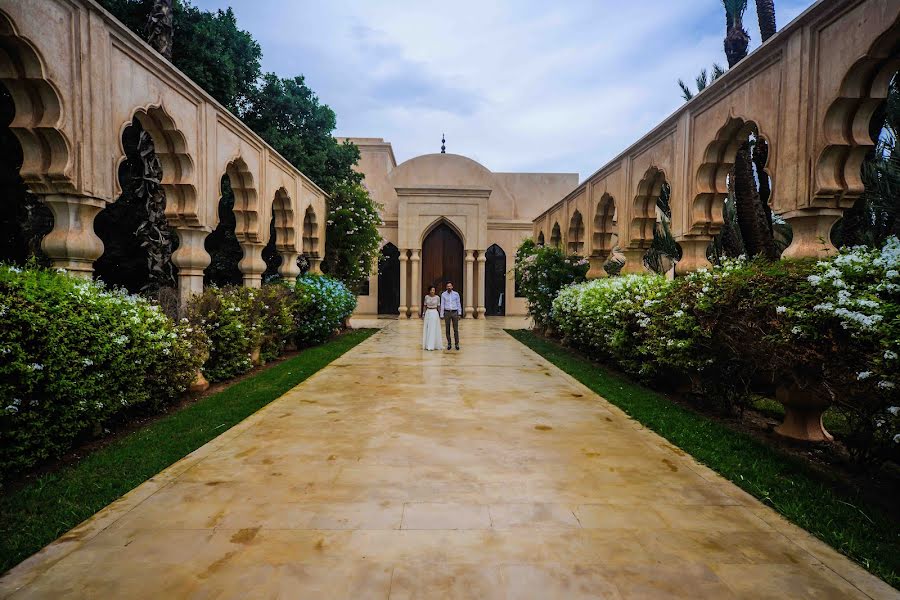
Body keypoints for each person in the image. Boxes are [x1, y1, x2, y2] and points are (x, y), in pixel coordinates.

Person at [440, 281, 461, 351]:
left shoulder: (456, 294)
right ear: (446, 287)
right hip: (447, 312)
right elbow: (442, 304)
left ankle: (457, 344)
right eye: (448, 286)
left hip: (455, 312)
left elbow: (458, 303)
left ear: (452, 287)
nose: (449, 287)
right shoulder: (443, 294)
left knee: (456, 329)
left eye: (450, 286)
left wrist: (459, 313)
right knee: (447, 329)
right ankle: (449, 343)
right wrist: (441, 314)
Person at [421, 286, 442, 350]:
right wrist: (423, 314)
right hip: (428, 312)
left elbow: (439, 306)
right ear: (429, 291)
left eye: (434, 290)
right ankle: (427, 344)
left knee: (434, 328)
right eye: (431, 290)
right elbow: (424, 306)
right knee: (428, 328)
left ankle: (433, 344)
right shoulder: (426, 297)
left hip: (434, 313)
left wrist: (441, 314)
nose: (432, 291)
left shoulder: (437, 297)